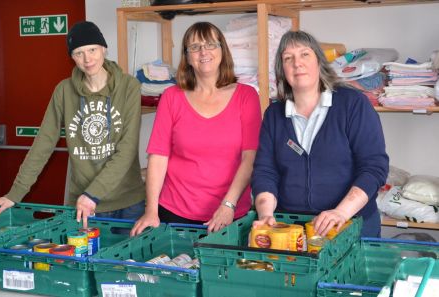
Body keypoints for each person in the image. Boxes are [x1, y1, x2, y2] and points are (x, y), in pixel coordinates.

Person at [0, 21, 145, 228]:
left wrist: (94, 194)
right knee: (85, 260)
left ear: (104, 49)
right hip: (85, 204)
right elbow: (43, 144)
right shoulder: (63, 91)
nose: (87, 59)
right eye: (79, 53)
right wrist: (15, 194)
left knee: (128, 261)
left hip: (128, 202)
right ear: (72, 57)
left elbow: (127, 150)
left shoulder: (129, 86)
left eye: (92, 50)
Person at [251, 31, 389, 237]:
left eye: (305, 54)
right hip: (293, 229)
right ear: (282, 71)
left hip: (352, 224)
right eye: (288, 58)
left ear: (319, 61)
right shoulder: (274, 114)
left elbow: (373, 168)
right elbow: (265, 171)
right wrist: (266, 215)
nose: (297, 63)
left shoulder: (352, 104)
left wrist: (340, 212)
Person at [130, 22, 261, 236]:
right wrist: (151, 210)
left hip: (230, 214)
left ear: (222, 51)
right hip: (174, 213)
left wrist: (229, 205)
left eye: (210, 44)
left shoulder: (246, 96)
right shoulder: (171, 97)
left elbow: (250, 158)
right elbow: (158, 158)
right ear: (187, 57)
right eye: (195, 47)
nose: (203, 52)